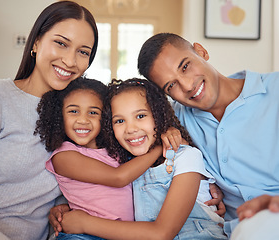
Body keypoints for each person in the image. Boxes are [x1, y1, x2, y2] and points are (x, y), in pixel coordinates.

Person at [0, 1, 98, 240]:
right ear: (36, 42)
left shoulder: (78, 117)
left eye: (83, 52)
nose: (71, 61)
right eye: (61, 43)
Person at [137, 32, 279, 238]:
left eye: (185, 66)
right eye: (171, 85)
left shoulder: (274, 90)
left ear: (201, 51)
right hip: (231, 230)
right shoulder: (175, 119)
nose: (186, 86)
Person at [60, 78, 227, 240]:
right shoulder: (129, 164)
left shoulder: (186, 156)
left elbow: (161, 234)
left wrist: (86, 224)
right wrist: (65, 209)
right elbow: (108, 197)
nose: (130, 129)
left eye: (140, 116)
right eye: (119, 121)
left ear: (159, 116)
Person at [35, 77, 163, 240]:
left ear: (106, 118)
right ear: (59, 116)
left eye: (93, 112)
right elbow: (118, 178)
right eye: (73, 111)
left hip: (122, 232)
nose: (83, 120)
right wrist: (159, 146)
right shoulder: (64, 155)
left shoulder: (117, 150)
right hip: (84, 235)